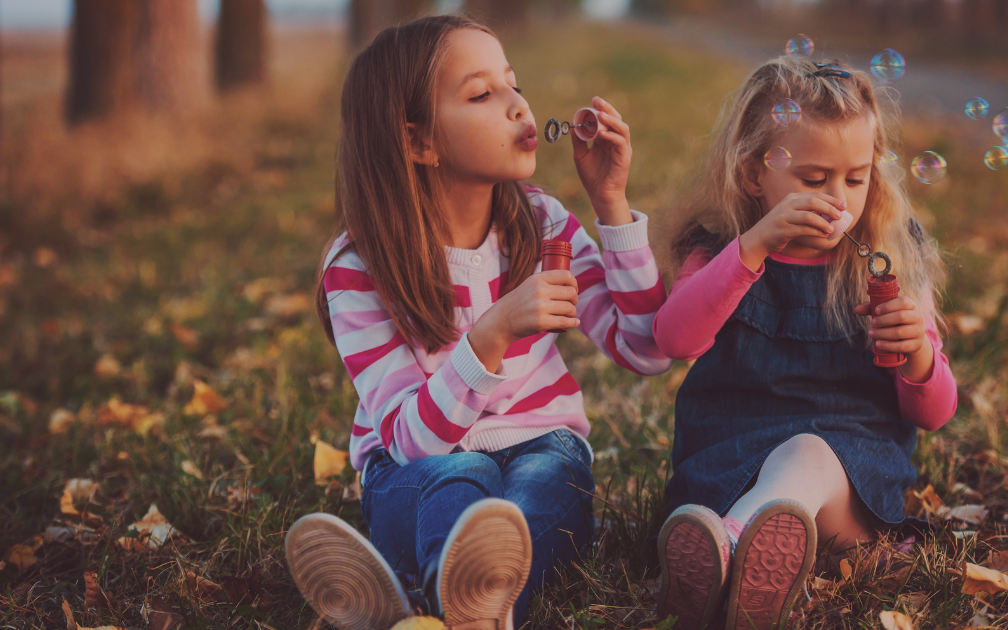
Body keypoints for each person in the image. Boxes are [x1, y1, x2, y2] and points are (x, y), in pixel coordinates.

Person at [284, 15, 671, 630]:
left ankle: (425, 595)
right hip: (416, 469)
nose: (519, 106)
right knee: (461, 477)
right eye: (482, 94)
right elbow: (411, 442)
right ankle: (460, 597)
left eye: (513, 85)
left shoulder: (542, 222)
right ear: (418, 142)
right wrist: (492, 333)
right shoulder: (359, 267)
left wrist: (611, 204)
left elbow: (646, 348)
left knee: (545, 484)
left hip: (540, 447)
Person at [652, 56, 958, 630]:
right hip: (729, 463)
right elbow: (675, 339)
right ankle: (750, 553)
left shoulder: (886, 261)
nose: (838, 199)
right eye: (814, 180)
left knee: (808, 452)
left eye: (856, 177)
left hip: (850, 484)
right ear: (752, 174)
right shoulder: (720, 249)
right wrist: (755, 246)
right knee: (792, 455)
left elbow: (935, 412)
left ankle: (730, 549)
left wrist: (917, 352)